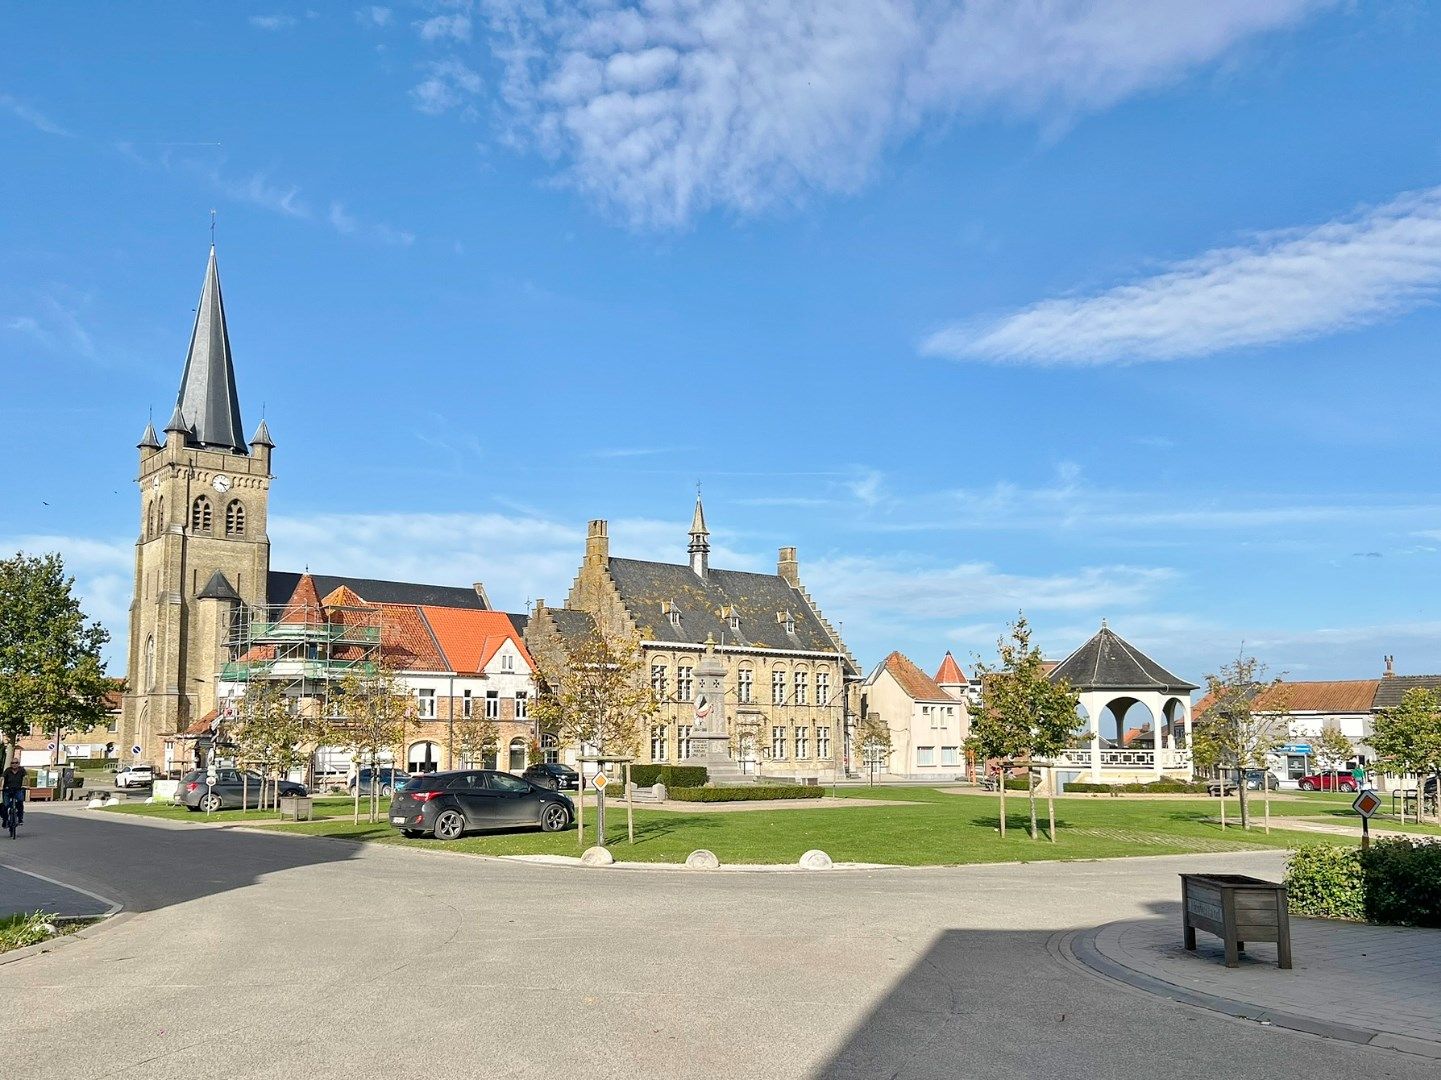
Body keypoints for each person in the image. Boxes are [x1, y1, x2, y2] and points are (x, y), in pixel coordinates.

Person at [2, 759, 26, 829]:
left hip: (18, 790)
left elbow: (26, 778)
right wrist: (1, 786)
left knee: (20, 803)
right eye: (12, 763)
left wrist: (26, 785)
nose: (14, 764)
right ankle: (5, 820)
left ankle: (20, 819)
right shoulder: (7, 770)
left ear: (18, 764)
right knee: (5, 806)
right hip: (7, 790)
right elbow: (2, 778)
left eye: (16, 763)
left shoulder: (22, 770)